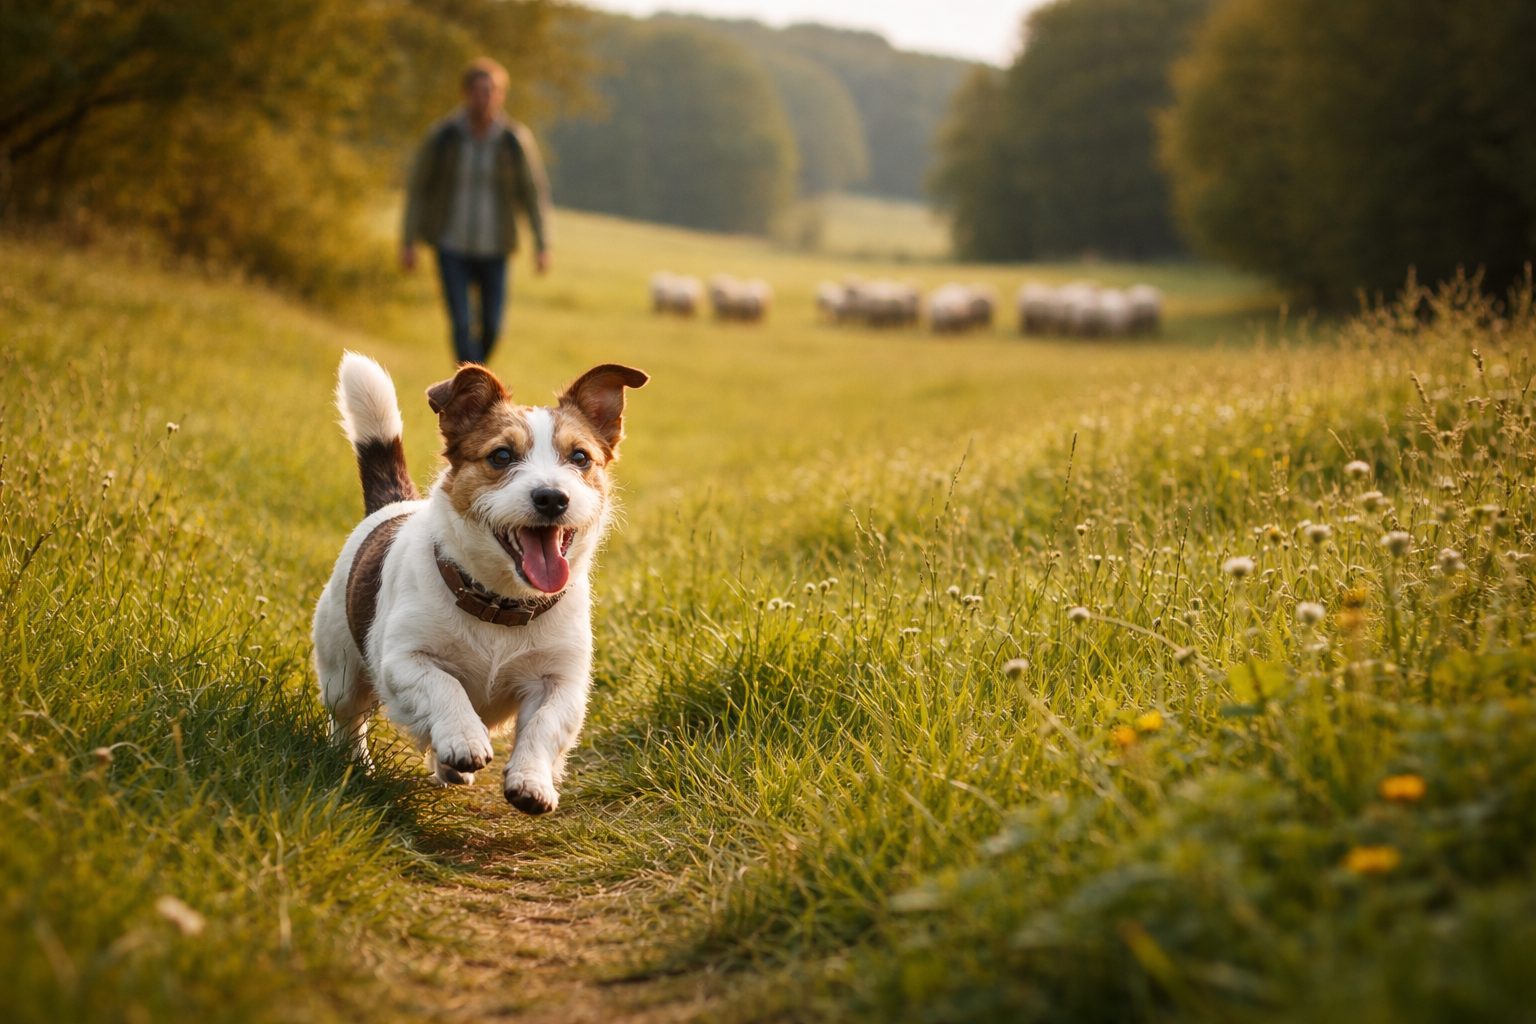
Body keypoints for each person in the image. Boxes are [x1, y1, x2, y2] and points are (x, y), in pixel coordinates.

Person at [401, 58, 552, 365]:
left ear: (501, 95)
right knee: (461, 324)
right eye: (480, 90)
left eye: (493, 91)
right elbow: (418, 189)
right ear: (466, 93)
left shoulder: (513, 140)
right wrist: (408, 241)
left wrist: (542, 244)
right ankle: (473, 393)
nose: (486, 97)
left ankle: (473, 384)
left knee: (493, 327)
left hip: (494, 247)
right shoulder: (444, 137)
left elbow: (533, 192)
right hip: (450, 244)